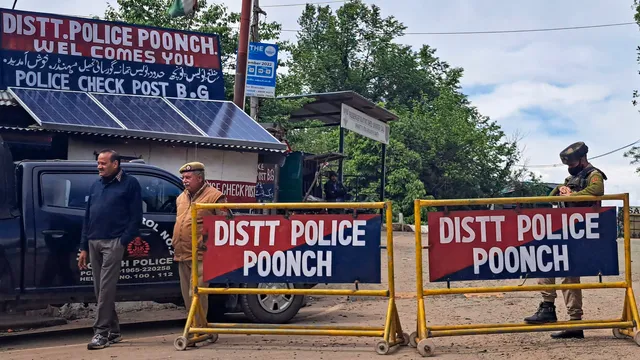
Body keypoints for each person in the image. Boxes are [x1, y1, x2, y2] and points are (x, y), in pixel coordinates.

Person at [524, 141, 607, 339]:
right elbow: (551, 199)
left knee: (570, 275)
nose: (570, 167)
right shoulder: (570, 177)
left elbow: (596, 191)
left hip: (584, 232)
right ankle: (547, 308)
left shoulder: (593, 175)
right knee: (545, 264)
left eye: (572, 162)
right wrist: (561, 189)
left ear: (582, 158)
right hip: (565, 231)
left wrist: (574, 194)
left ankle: (575, 322)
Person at [78, 149, 142, 350]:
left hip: (114, 242)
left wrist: (122, 241)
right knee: (100, 290)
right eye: (98, 163)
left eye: (103, 163)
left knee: (106, 289)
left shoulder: (130, 184)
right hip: (93, 241)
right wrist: (83, 247)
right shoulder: (96, 185)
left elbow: (136, 217)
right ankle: (114, 331)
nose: (99, 167)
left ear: (116, 164)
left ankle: (101, 333)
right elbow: (87, 217)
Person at [172, 162, 226, 328]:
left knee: (196, 294)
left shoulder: (215, 196)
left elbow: (225, 225)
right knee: (188, 297)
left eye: (188, 177)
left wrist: (209, 245)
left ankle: (199, 329)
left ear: (200, 178)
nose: (184, 180)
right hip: (182, 254)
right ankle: (197, 327)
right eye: (183, 177)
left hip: (202, 255)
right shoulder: (181, 197)